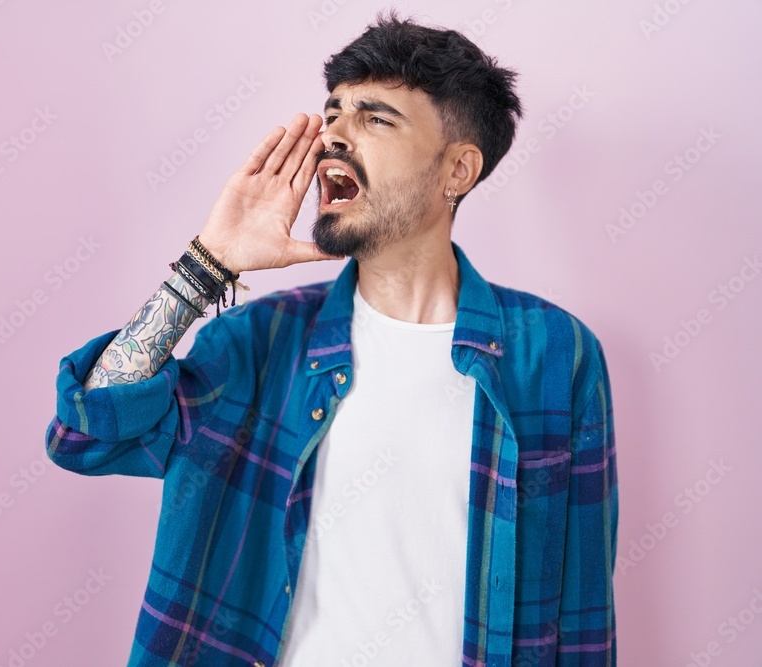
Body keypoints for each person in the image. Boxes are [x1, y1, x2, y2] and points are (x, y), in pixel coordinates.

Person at [45, 9, 618, 666]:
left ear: (457, 170)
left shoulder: (555, 356)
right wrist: (206, 267)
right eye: (334, 113)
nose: (332, 137)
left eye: (375, 118)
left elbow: (582, 613)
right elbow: (88, 433)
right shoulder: (260, 342)